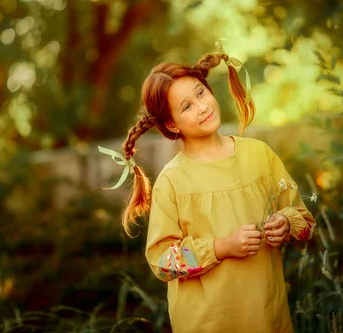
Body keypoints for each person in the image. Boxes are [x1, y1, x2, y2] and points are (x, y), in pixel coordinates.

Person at [101, 51, 316, 333]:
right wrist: (221, 248)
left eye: (200, 93)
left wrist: (286, 224)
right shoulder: (173, 181)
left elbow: (306, 223)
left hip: (266, 315)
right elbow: (163, 261)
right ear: (171, 124)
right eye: (186, 107)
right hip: (207, 322)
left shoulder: (258, 155)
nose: (201, 107)